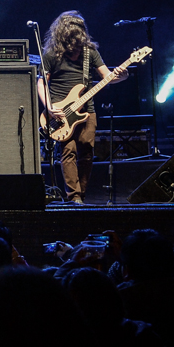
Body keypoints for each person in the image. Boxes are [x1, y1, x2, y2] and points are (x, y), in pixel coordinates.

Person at [37, 11, 127, 204]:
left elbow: (108, 77)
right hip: (60, 112)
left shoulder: (90, 52)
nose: (78, 43)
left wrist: (122, 75)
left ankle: (82, 194)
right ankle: (74, 197)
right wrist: (49, 107)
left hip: (87, 110)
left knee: (86, 152)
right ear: (65, 35)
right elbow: (41, 83)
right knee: (68, 152)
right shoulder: (52, 54)